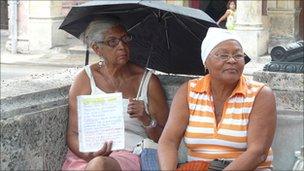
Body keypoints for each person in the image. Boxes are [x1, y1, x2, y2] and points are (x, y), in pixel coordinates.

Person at [158, 27, 277, 170]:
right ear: (205, 62)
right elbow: (168, 141)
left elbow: (258, 153)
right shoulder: (188, 91)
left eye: (238, 55)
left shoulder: (260, 94)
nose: (232, 60)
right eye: (223, 55)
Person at [62, 16, 169, 170]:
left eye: (125, 39)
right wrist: (89, 155)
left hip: (128, 154)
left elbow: (167, 139)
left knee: (100, 165)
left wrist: (146, 119)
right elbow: (73, 134)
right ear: (96, 48)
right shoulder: (85, 78)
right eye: (112, 42)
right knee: (97, 163)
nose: (122, 46)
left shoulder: (148, 82)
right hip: (85, 156)